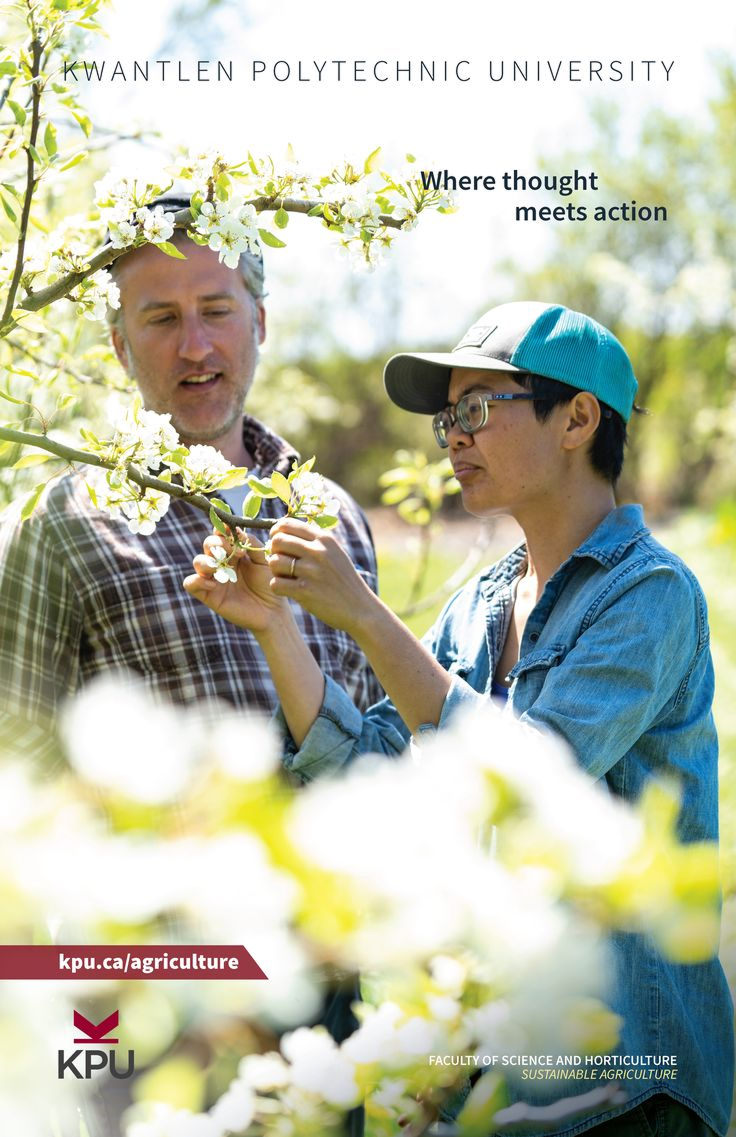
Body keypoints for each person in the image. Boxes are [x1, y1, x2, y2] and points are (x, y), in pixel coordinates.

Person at [185, 301, 734, 1136]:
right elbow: (373, 767)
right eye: (448, 418)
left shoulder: (649, 594)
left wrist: (367, 615)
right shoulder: (478, 605)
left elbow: (531, 777)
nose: (452, 437)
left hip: (633, 1086)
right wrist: (275, 625)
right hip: (506, 1083)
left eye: (476, 409)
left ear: (578, 419)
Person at [0, 194, 381, 759]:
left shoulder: (334, 518)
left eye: (217, 310)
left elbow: (379, 748)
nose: (195, 346)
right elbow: (17, 760)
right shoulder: (60, 525)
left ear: (259, 322)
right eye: (162, 318)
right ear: (120, 347)